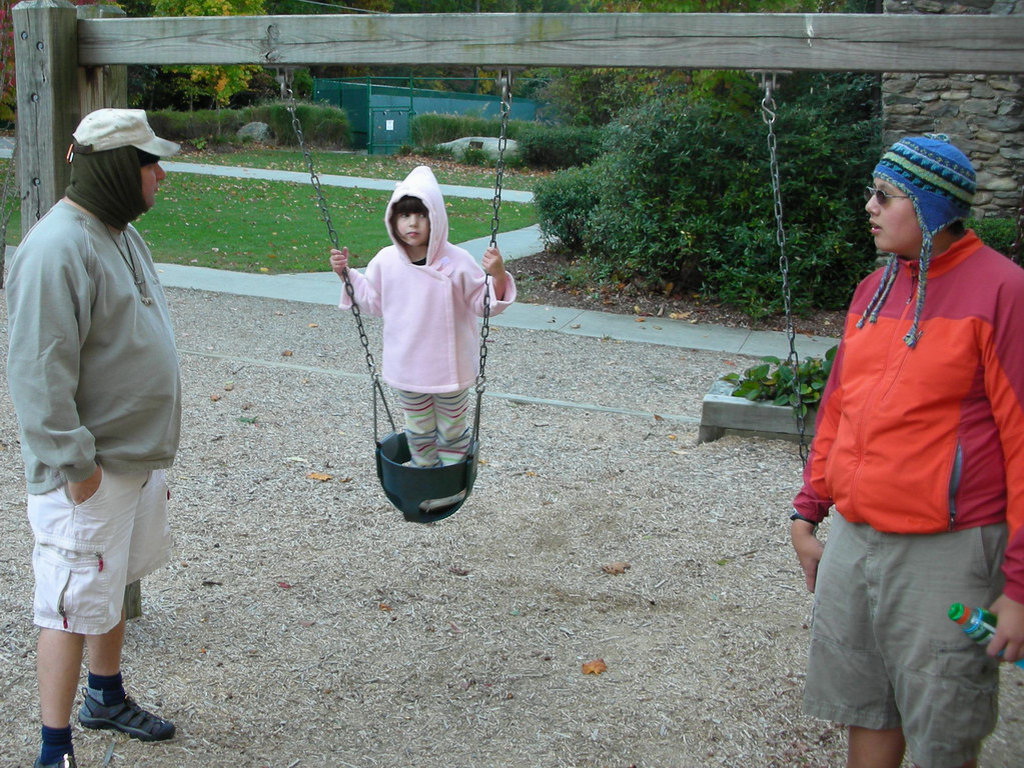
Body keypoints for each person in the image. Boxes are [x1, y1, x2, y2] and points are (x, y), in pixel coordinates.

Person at [789, 134, 1024, 768]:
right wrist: (808, 511)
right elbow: (839, 408)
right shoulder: (873, 289)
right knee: (866, 707)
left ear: (931, 206)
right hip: (857, 538)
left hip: (949, 549)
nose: (869, 206)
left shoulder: (1003, 291)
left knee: (944, 731)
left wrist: (1020, 587)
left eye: (885, 196)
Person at [6, 108, 183, 768]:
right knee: (69, 603)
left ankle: (104, 696)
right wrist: (77, 468)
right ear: (115, 168)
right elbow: (38, 375)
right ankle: (53, 750)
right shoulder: (57, 248)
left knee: (110, 584)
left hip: (131, 461)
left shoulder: (118, 233)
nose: (161, 176)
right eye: (150, 163)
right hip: (90, 472)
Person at [329, 165, 515, 485]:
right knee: (418, 429)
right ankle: (423, 476)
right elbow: (373, 301)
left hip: (450, 369)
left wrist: (497, 275)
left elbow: (482, 303)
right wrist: (345, 275)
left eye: (421, 215)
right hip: (409, 367)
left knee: (452, 429)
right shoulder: (386, 261)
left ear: (436, 219)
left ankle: (450, 480)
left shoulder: (457, 261)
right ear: (393, 220)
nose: (412, 223)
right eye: (404, 215)